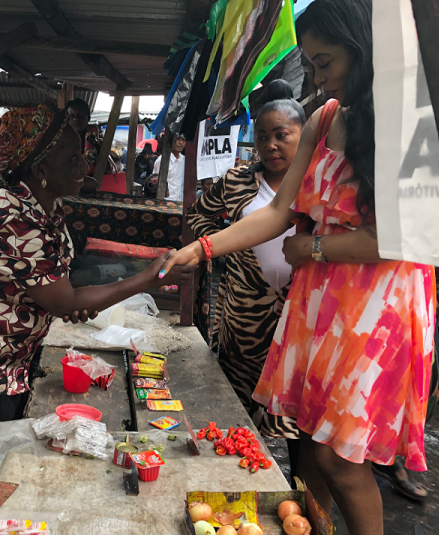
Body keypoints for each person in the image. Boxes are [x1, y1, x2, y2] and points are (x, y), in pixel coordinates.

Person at [158, 1, 434, 533]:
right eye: (311, 65)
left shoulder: (406, 123)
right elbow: (277, 212)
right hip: (321, 305)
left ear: (364, 50)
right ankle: (312, 526)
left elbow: (396, 239)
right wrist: (203, 249)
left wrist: (313, 250)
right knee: (308, 440)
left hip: (376, 311)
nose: (318, 76)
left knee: (339, 459)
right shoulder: (324, 119)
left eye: (325, 62)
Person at [0, 105, 191, 482]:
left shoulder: (42, 207)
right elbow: (64, 301)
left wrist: (69, 302)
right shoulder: (13, 218)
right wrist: (147, 278)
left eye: (83, 156)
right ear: (41, 168)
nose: (84, 168)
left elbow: (53, 289)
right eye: (73, 159)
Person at [188, 79, 305, 474]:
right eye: (263, 137)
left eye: (281, 135)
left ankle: (299, 488)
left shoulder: (316, 186)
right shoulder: (237, 180)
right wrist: (224, 247)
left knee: (296, 414)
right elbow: (198, 215)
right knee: (236, 403)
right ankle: (230, 476)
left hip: (299, 316)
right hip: (245, 313)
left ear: (303, 136)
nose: (270, 145)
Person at [65, 98, 102, 193]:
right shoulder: (60, 140)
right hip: (66, 182)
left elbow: (91, 165)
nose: (75, 119)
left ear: (88, 118)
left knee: (92, 183)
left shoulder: (93, 139)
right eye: (72, 116)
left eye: (80, 115)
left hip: (87, 183)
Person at [152, 133, 186, 201]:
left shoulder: (184, 160)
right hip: (165, 201)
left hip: (180, 202)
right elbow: (155, 183)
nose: (181, 142)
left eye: (183, 140)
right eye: (178, 139)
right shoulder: (162, 161)